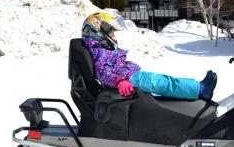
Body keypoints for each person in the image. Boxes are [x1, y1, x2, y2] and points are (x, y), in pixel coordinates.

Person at [82, 12, 217, 101]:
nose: (113, 36)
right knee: (165, 83)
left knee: (165, 81)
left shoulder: (100, 49)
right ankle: (200, 89)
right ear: (97, 32)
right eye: (110, 33)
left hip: (130, 76)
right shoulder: (98, 51)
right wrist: (119, 81)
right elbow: (102, 72)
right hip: (129, 79)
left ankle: (195, 88)